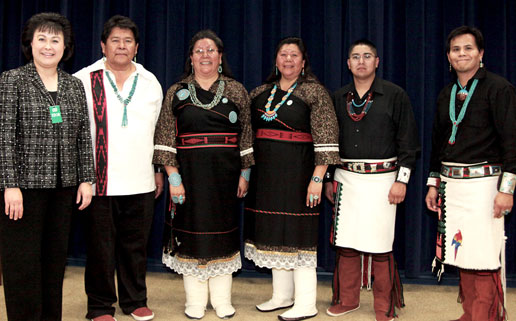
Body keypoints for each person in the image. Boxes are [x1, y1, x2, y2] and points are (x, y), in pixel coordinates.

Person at [0, 12, 95, 321]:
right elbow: (4, 136)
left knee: (54, 263)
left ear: (65, 46)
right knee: (22, 265)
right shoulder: (12, 79)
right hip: (23, 190)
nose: (48, 46)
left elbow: (83, 135)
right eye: (42, 38)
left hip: (64, 188)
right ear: (30, 43)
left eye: (55, 39)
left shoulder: (74, 86)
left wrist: (86, 179)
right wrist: (10, 185)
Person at [153, 29, 253, 320]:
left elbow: (246, 135)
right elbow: (164, 138)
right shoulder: (177, 91)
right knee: (193, 234)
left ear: (220, 57)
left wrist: (244, 173)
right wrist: (173, 178)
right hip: (189, 177)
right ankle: (195, 301)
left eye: (211, 50)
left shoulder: (236, 90)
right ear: (191, 57)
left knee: (223, 234)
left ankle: (222, 300)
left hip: (226, 176)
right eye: (199, 50)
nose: (205, 55)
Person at [244, 37, 340, 321]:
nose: (288, 60)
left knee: (299, 236)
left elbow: (326, 139)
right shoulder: (260, 92)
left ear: (303, 61)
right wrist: (246, 172)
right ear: (276, 60)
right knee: (273, 231)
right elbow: (247, 134)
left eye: (294, 55)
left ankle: (306, 302)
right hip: (266, 176)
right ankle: (282, 295)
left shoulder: (315, 93)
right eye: (283, 55)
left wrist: (318, 178)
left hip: (300, 176)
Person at [74, 15, 163, 321]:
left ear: (136, 47)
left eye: (128, 41)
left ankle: (135, 300)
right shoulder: (84, 79)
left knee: (135, 247)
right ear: (103, 45)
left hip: (141, 180)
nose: (121, 46)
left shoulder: (151, 82)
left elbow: (157, 132)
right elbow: (74, 131)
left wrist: (158, 170)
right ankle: (99, 307)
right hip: (99, 182)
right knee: (100, 249)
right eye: (115, 40)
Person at [425, 26, 516, 321]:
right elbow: (438, 143)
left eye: (468, 49)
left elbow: (512, 142)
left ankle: (487, 315)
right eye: (455, 50)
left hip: (485, 186)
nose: (461, 54)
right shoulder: (446, 93)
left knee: (483, 254)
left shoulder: (498, 88)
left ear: (481, 54)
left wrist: (507, 189)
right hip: (451, 185)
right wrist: (433, 184)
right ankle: (470, 312)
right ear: (448, 57)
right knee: (460, 249)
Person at [325, 39, 419, 321]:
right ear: (348, 63)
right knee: (346, 242)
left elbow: (408, 142)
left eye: (367, 56)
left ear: (377, 62)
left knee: (380, 244)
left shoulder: (395, 95)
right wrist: (329, 178)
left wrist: (402, 180)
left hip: (383, 180)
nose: (361, 61)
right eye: (355, 56)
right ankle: (348, 299)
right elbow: (328, 143)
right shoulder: (338, 96)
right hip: (345, 178)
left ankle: (383, 306)